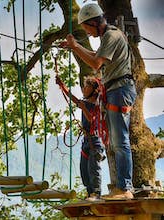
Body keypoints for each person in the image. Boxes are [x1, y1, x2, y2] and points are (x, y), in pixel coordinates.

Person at [60, 3, 137, 199]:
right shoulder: (107, 37)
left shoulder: (112, 35)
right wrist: (74, 48)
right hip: (115, 89)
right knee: (116, 142)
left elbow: (95, 64)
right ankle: (122, 187)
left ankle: (125, 188)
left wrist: (76, 46)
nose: (86, 32)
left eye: (86, 28)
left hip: (120, 88)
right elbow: (96, 56)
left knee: (120, 141)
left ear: (94, 22)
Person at [56, 75, 105, 201]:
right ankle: (90, 193)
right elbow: (72, 97)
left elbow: (92, 119)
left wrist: (83, 107)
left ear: (94, 90)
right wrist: (62, 86)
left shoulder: (98, 104)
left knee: (93, 168)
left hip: (95, 140)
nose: (83, 89)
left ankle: (96, 193)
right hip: (86, 141)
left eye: (86, 87)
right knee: (84, 170)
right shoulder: (86, 103)